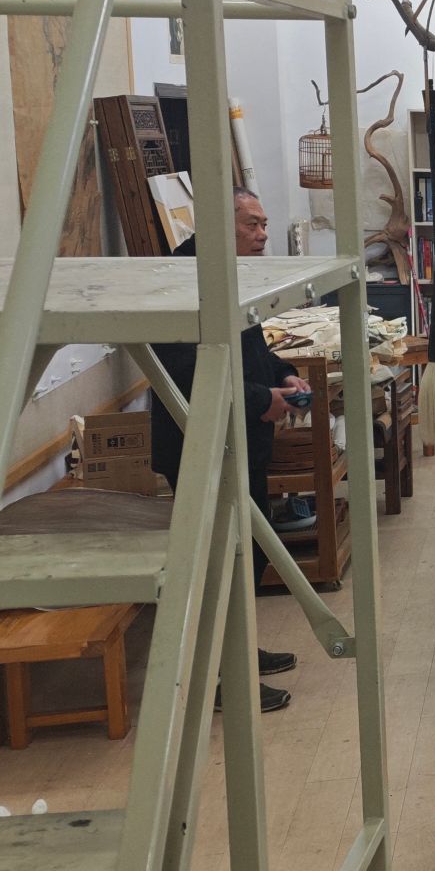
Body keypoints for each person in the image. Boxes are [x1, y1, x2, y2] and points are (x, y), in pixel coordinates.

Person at [149, 187, 306, 712]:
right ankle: (219, 680)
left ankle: (239, 651)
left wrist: (284, 374)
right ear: (220, 223)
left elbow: (250, 349)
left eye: (264, 225)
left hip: (242, 441)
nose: (263, 235)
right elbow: (188, 372)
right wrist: (263, 399)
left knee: (250, 550)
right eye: (252, 225)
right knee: (217, 562)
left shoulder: (229, 271)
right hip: (201, 447)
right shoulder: (183, 278)